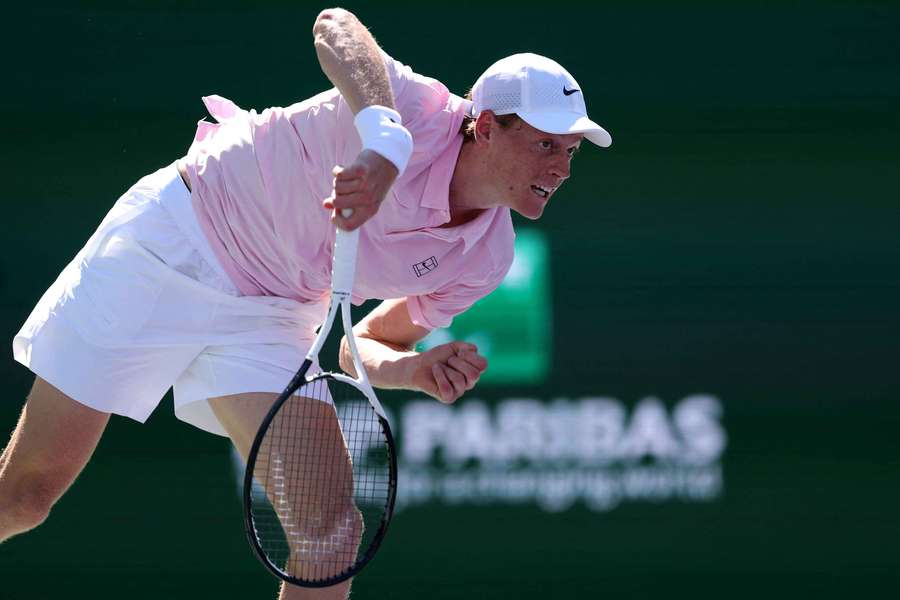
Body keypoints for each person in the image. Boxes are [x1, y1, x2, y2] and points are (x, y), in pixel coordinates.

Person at [0, 7, 611, 600]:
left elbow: (359, 346)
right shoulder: (418, 108)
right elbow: (334, 25)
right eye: (545, 145)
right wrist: (384, 139)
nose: (560, 167)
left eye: (570, 151)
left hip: (273, 313)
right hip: (177, 243)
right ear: (484, 127)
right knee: (25, 496)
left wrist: (411, 369)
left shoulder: (485, 257)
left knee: (331, 537)